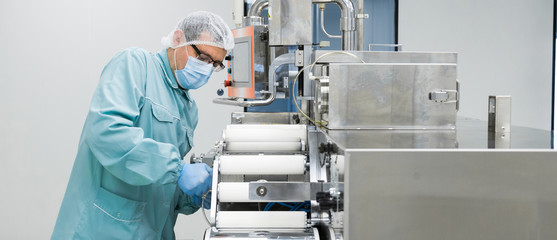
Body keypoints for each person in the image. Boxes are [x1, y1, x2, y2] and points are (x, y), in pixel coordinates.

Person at [51, 11, 234, 239]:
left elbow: (161, 181)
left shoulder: (188, 108)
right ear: (178, 39)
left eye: (215, 64)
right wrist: (178, 170)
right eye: (203, 58)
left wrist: (196, 194)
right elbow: (106, 132)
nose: (207, 69)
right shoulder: (135, 65)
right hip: (102, 229)